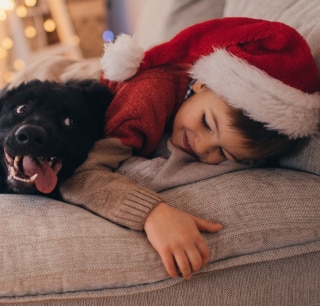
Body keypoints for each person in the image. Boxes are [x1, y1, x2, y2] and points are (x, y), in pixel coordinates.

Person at [60, 17, 320, 280]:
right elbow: (81, 174)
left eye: (224, 154)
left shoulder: (220, 125)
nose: (202, 146)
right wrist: (153, 213)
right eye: (207, 123)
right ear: (201, 84)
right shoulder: (148, 96)